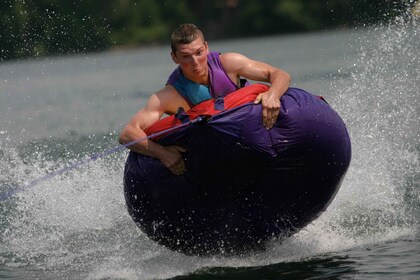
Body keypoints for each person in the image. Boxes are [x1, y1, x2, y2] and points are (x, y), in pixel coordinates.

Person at [119, 23, 291, 175]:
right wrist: (163, 153)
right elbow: (128, 134)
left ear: (206, 47)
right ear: (174, 57)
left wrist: (273, 94)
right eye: (186, 56)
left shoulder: (229, 64)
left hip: (256, 138)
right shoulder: (169, 95)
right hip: (217, 158)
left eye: (199, 53)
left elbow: (278, 74)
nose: (195, 62)